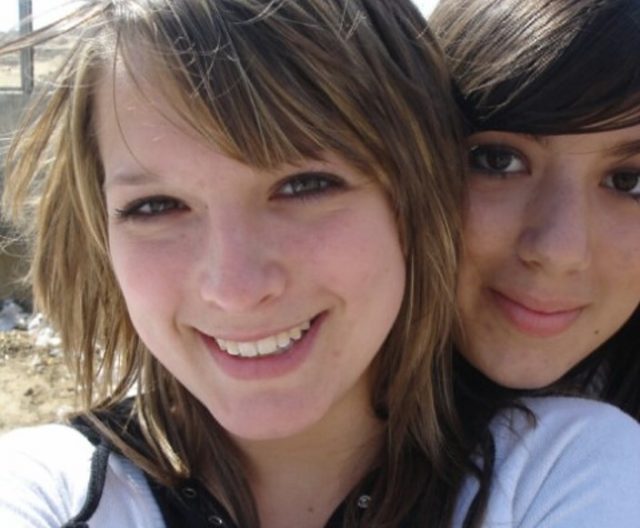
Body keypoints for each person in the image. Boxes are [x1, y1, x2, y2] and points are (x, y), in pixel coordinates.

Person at [1, 1, 640, 527]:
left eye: (305, 185)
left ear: (417, 198)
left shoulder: (568, 469)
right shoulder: (50, 490)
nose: (234, 288)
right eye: (156, 206)